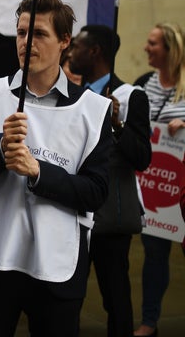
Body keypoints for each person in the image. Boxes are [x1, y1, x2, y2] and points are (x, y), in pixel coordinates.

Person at [0, 0, 112, 337]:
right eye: (22, 33)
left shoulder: (93, 110)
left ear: (65, 41)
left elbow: (96, 192)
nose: (26, 42)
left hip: (55, 267)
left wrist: (38, 172)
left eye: (39, 34)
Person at [69, 24, 152, 337]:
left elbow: (142, 157)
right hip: (75, 209)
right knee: (70, 294)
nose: (71, 52)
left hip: (110, 217)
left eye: (76, 45)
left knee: (115, 294)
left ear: (94, 52)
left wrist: (117, 125)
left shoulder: (131, 96)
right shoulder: (74, 96)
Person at [132, 22, 185, 337]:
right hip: (154, 188)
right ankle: (149, 322)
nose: (146, 48)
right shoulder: (143, 84)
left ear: (170, 50)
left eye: (153, 44)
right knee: (154, 256)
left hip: (181, 188)